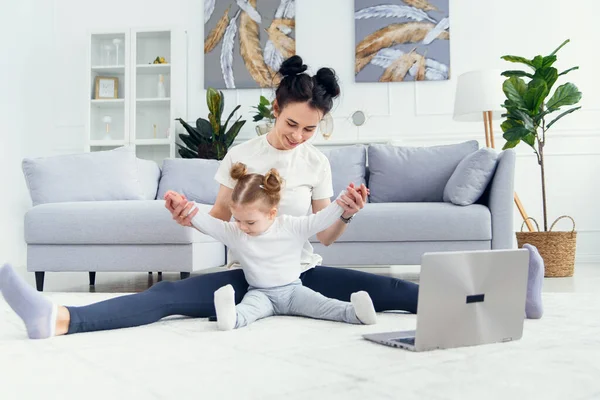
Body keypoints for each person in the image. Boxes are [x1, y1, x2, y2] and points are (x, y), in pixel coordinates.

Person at [0, 55, 542, 340]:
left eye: (310, 129)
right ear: (274, 106)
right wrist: (184, 214)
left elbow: (321, 235)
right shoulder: (241, 154)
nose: (298, 137)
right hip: (249, 273)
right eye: (291, 124)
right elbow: (216, 223)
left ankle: (514, 299)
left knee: (393, 290)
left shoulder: (316, 162)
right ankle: (58, 318)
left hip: (304, 272)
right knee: (163, 301)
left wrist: (346, 215)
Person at [167, 162, 377, 330]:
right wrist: (185, 208)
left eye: (250, 222)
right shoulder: (236, 232)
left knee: (324, 305)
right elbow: (209, 224)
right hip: (260, 294)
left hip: (294, 292)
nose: (242, 227)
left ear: (272, 213)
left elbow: (321, 219)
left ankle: (356, 313)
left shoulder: (290, 227)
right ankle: (230, 318)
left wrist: (344, 200)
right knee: (247, 311)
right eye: (237, 219)